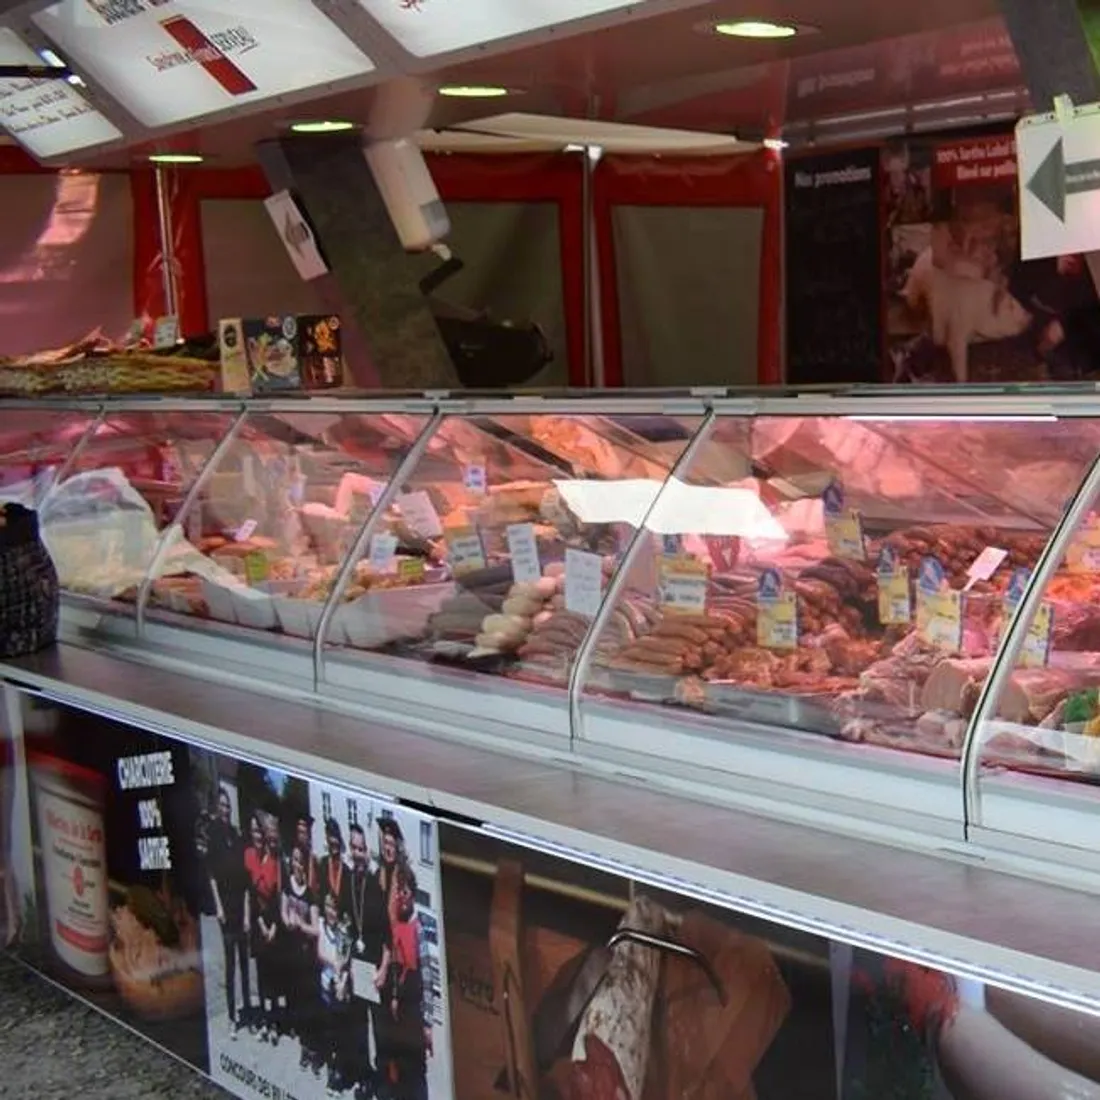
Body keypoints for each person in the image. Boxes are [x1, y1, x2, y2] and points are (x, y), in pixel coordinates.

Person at [346, 822, 390, 1100]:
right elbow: (344, 927)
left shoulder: (375, 884)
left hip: (374, 967)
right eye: (355, 848)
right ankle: (364, 1076)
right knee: (359, 1025)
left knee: (380, 1027)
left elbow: (387, 933)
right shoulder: (349, 882)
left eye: (362, 848)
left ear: (367, 851)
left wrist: (384, 968)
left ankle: (383, 1077)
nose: (358, 853)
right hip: (356, 965)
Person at [382, 864, 431, 1100]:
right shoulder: (395, 927)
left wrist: (428, 1022)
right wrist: (392, 997)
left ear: (412, 894)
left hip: (414, 1011)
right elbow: (393, 969)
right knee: (398, 1066)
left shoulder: (418, 928)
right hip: (398, 1010)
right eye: (398, 891)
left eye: (405, 892)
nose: (401, 897)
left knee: (416, 1071)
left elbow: (427, 980)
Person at [208, 787, 251, 1038]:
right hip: (226, 910)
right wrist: (219, 907)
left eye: (228, 806)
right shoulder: (213, 835)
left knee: (245, 965)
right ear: (216, 808)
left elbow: (245, 881)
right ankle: (232, 1017)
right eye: (222, 806)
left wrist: (246, 914)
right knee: (230, 965)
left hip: (240, 907)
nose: (225, 810)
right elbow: (212, 876)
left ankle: (246, 1012)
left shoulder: (237, 836)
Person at [281, 843, 320, 1073]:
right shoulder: (288, 886)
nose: (297, 865)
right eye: (294, 860)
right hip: (292, 955)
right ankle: (304, 1049)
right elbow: (284, 913)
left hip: (307, 958)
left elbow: (315, 929)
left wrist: (301, 924)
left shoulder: (310, 894)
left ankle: (313, 1050)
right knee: (296, 1002)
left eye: (301, 862)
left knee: (309, 1005)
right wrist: (288, 921)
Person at [246, 811, 283, 1045]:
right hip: (259, 924)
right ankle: (264, 1021)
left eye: (262, 832)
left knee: (273, 977)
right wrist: (259, 923)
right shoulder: (250, 857)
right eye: (256, 832)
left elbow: (279, 899)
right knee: (260, 977)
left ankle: (274, 1024)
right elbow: (250, 893)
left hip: (273, 926)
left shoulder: (276, 862)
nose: (259, 836)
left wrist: (273, 928)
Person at [317, 889, 353, 1096]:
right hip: (326, 985)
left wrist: (343, 979)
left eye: (333, 907)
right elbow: (321, 953)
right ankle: (331, 1072)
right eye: (327, 906)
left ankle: (340, 1075)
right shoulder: (322, 925)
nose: (330, 911)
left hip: (341, 989)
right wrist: (335, 964)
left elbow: (347, 961)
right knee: (329, 1033)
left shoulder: (344, 930)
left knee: (341, 1034)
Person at [319, 817, 349, 915]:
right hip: (325, 915)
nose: (334, 845)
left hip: (341, 917)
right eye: (331, 842)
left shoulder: (346, 870)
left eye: (335, 839)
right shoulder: (323, 864)